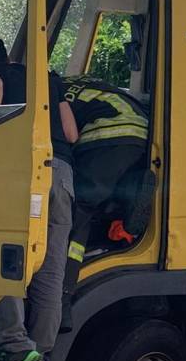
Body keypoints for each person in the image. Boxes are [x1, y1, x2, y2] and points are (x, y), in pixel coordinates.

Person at [0, 34, 79, 361]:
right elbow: (71, 133)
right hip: (61, 175)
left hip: (22, 172)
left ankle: (17, 350)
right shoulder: (46, 77)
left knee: (6, 258)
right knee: (50, 268)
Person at [61, 76, 149, 279]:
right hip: (136, 130)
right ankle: (122, 221)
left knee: (76, 204)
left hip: (109, 131)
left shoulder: (38, 95)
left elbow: (65, 137)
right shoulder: (64, 84)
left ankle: (67, 274)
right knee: (99, 193)